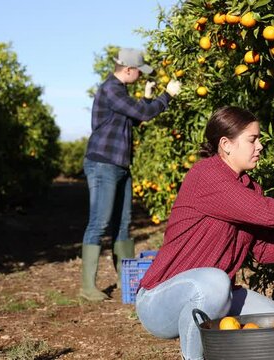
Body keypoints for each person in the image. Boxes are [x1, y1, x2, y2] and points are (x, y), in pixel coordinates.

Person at [135, 106, 274, 360]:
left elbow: (265, 251)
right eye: (252, 139)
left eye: (259, 139)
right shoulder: (206, 175)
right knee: (216, 283)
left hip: (217, 295)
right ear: (226, 144)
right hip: (160, 300)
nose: (260, 146)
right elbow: (266, 212)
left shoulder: (250, 188)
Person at [80, 48, 182, 301]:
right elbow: (143, 114)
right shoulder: (111, 89)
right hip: (103, 163)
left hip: (120, 165)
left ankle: (125, 282)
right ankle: (87, 287)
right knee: (99, 223)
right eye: (139, 70)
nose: (140, 74)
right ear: (128, 69)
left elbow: (134, 118)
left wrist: (146, 100)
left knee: (123, 224)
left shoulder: (120, 91)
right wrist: (167, 95)